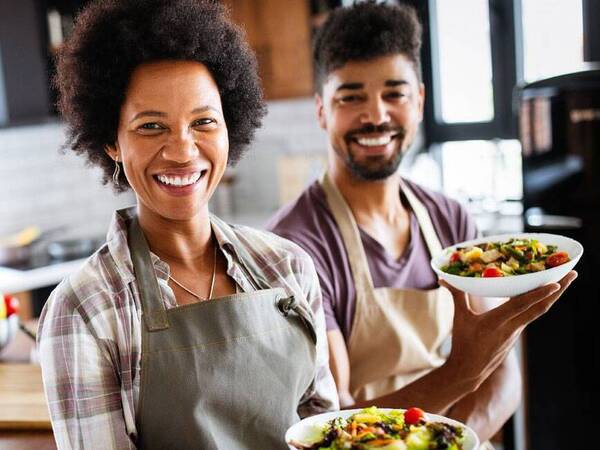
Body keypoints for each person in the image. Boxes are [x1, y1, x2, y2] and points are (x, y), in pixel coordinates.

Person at [267, 1, 577, 445]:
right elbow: (331, 424)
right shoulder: (294, 248)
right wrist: (461, 372)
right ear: (321, 110)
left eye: (394, 93)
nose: (375, 115)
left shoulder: (450, 220)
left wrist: (459, 440)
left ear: (420, 101)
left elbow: (501, 372)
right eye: (351, 97)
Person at [36, 1, 338, 449]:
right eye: (152, 126)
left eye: (203, 122)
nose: (182, 150)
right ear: (111, 141)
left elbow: (324, 431)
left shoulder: (288, 267)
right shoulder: (85, 310)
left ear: (229, 126)